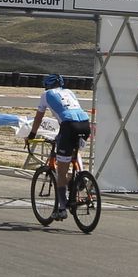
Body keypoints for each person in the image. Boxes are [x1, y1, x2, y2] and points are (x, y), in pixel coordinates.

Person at [30, 73, 92, 221]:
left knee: (61, 173)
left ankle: (62, 208)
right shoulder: (69, 91)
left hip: (69, 126)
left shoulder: (46, 94)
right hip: (84, 124)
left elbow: (39, 117)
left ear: (47, 85)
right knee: (73, 149)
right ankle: (80, 176)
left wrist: (32, 134)